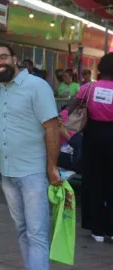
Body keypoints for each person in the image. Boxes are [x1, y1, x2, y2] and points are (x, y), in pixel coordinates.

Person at [0, 44, 60, 270]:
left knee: (37, 233)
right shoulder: (1, 88)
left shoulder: (36, 86)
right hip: (8, 172)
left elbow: (52, 128)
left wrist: (52, 167)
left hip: (33, 172)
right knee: (21, 229)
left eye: (2, 57)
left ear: (15, 59)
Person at [68, 53, 113, 241]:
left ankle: (96, 230)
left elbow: (71, 109)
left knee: (93, 180)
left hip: (93, 136)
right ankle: (111, 229)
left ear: (100, 68)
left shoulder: (88, 88)